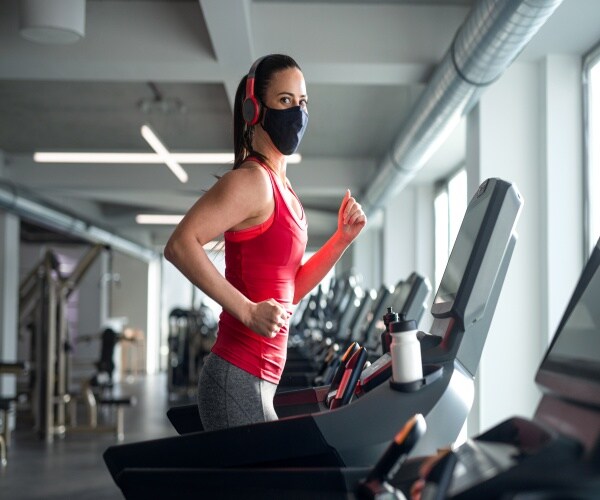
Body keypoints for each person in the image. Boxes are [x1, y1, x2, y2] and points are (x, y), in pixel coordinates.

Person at [164, 54, 367, 431]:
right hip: (237, 376)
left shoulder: (285, 190)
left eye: (302, 102)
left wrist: (340, 240)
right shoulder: (252, 182)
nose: (298, 112)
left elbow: (289, 293)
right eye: (286, 100)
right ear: (254, 107)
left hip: (258, 381)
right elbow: (179, 245)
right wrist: (248, 311)